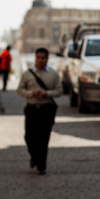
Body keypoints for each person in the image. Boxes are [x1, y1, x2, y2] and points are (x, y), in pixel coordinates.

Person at [17, 47, 62, 175]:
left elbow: (59, 91)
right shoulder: (27, 74)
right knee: (29, 137)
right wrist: (32, 93)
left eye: (43, 58)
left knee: (44, 138)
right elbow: (19, 90)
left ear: (47, 59)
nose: (41, 60)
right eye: (38, 57)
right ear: (35, 58)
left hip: (46, 110)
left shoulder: (53, 74)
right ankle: (34, 157)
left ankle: (41, 166)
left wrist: (46, 93)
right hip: (31, 109)